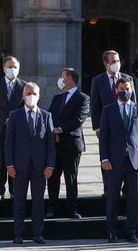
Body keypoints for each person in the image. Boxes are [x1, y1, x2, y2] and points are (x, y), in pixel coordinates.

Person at [100, 78, 138, 244]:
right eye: (121, 88)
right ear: (116, 90)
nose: (125, 91)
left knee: (132, 198)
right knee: (113, 197)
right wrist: (104, 158)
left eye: (127, 88)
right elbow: (104, 138)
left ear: (132, 90)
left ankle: (131, 231)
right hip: (114, 161)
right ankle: (111, 231)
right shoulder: (108, 110)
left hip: (134, 161)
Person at [5, 82, 55, 245]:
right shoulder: (15, 115)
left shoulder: (46, 116)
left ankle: (37, 233)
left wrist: (50, 165)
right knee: (19, 200)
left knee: (38, 201)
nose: (30, 96)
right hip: (19, 166)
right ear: (23, 95)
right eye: (28, 93)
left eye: (34, 93)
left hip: (40, 167)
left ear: (39, 96)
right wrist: (9, 164)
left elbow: (50, 144)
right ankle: (18, 234)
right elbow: (9, 143)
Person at [46, 68, 90, 219]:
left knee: (70, 177)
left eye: (62, 76)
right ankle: (52, 206)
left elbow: (79, 118)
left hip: (71, 143)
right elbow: (49, 115)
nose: (60, 79)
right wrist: (52, 129)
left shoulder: (83, 98)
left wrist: (61, 129)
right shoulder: (57, 98)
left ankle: (72, 207)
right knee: (52, 177)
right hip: (55, 143)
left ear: (69, 78)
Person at [89, 50, 133, 197]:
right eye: (113, 61)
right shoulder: (98, 80)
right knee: (107, 156)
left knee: (127, 156)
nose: (116, 64)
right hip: (107, 125)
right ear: (106, 64)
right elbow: (94, 105)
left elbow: (135, 105)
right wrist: (97, 127)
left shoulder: (128, 79)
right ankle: (108, 189)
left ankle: (126, 188)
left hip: (126, 123)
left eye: (118, 60)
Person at [0, 55, 26, 201]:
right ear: (4, 68)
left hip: (17, 130)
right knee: (1, 160)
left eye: (15, 67)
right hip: (1, 128)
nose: (12, 69)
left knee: (15, 161)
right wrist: (6, 118)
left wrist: (13, 118)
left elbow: (26, 105)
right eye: (10, 67)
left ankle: (14, 190)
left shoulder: (24, 86)